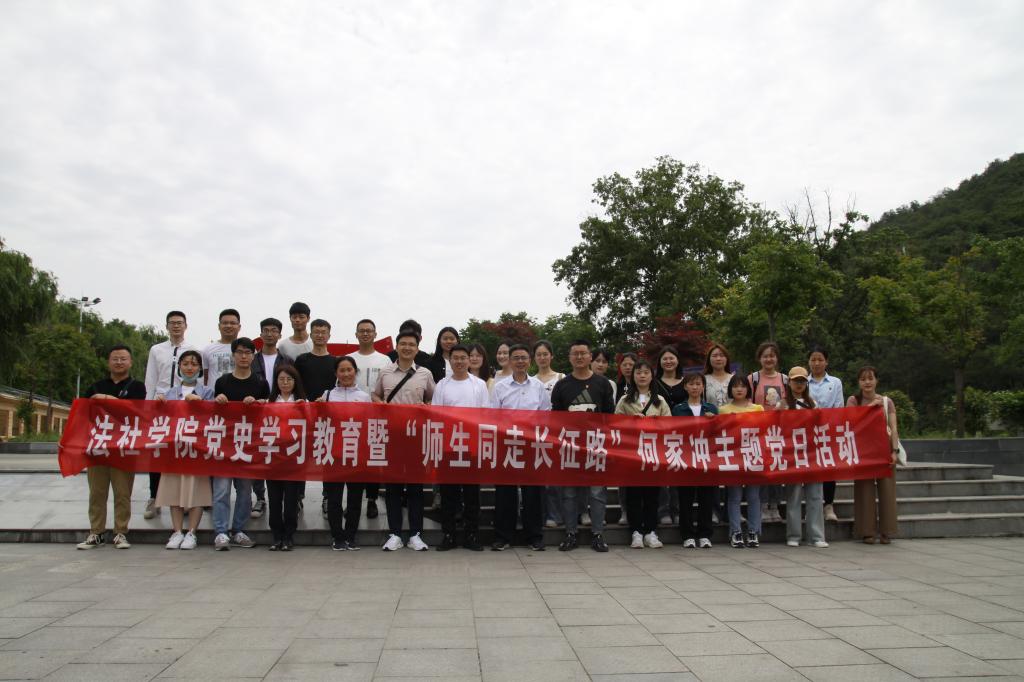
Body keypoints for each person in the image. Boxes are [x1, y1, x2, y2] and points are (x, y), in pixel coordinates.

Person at [76, 345, 147, 550]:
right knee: (96, 492)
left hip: (124, 447)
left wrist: (106, 399)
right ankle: (96, 532)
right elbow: (82, 414)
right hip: (98, 446)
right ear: (108, 362)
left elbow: (136, 411)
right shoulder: (95, 386)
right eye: (115, 359)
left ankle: (120, 532)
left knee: (122, 492)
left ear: (130, 362)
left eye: (123, 359)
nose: (119, 362)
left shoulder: (137, 387)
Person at [372, 329, 435, 551]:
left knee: (416, 487)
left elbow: (433, 399)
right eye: (403, 344)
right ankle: (395, 534)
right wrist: (380, 403)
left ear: (417, 349)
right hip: (392, 436)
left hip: (416, 437)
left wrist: (426, 407)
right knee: (393, 487)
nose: (407, 347)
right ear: (397, 347)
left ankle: (416, 534)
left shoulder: (425, 373)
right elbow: (375, 394)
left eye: (411, 344)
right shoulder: (385, 372)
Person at [551, 339, 616, 552]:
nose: (579, 357)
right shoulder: (562, 385)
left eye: (583, 353)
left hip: (596, 445)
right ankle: (571, 533)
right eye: (575, 353)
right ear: (570, 358)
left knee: (597, 492)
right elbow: (556, 418)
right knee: (569, 493)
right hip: (570, 446)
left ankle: (597, 534)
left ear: (590, 356)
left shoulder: (602, 384)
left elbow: (609, 416)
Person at [490, 343, 550, 551]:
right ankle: (503, 537)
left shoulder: (538, 387)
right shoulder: (500, 387)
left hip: (532, 445)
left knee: (533, 493)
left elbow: (545, 415)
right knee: (505, 493)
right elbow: (494, 416)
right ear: (510, 361)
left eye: (524, 357)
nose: (520, 361)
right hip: (507, 444)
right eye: (516, 358)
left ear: (530, 361)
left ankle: (534, 536)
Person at [212, 337, 269, 550]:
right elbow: (212, 413)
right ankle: (220, 532)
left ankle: (238, 530)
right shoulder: (222, 382)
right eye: (240, 352)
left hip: (248, 445)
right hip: (225, 444)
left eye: (248, 352)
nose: (244, 356)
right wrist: (218, 400)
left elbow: (268, 411)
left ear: (253, 356)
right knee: (221, 490)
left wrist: (261, 403)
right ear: (233, 355)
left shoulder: (261, 383)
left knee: (245, 491)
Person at [432, 345, 489, 551]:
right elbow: (436, 415)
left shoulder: (479, 385)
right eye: (455, 358)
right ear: (450, 360)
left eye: (463, 358)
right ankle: (449, 535)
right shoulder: (442, 385)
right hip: (448, 447)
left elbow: (485, 414)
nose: (459, 361)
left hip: (471, 447)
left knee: (472, 494)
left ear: (469, 360)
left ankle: (471, 535)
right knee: (448, 494)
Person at [154, 350, 213, 551]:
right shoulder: (170, 393)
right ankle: (177, 531)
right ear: (179, 367)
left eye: (194, 364)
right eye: (185, 363)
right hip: (176, 450)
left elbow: (214, 418)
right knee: (174, 491)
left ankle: (192, 532)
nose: (189, 368)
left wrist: (201, 404)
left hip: (197, 450)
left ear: (200, 368)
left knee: (197, 491)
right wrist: (159, 405)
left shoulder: (207, 392)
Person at [142, 310, 197, 521]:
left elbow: (198, 378)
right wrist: (148, 407)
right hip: (161, 406)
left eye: (179, 323)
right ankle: (154, 498)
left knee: (183, 451)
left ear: (186, 326)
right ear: (166, 326)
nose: (176, 326)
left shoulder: (193, 350)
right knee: (158, 452)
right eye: (172, 323)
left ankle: (184, 500)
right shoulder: (157, 350)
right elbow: (151, 379)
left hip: (184, 407)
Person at [615, 358, 670, 549]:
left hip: (653, 453)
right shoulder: (625, 400)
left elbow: (670, 425)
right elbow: (615, 424)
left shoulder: (660, 400)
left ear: (652, 376)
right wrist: (631, 420)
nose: (642, 376)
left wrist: (657, 422)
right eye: (638, 372)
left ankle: (651, 531)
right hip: (632, 454)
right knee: (633, 494)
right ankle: (636, 532)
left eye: (646, 372)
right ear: (633, 376)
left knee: (652, 495)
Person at [319, 356, 372, 551]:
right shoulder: (327, 396)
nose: (346, 374)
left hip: (356, 454)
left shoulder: (364, 397)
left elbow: (369, 424)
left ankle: (351, 535)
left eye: (349, 369)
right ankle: (337, 536)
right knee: (334, 498)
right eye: (342, 370)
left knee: (355, 498)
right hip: (333, 454)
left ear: (355, 371)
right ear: (336, 373)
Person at [848, 366, 900, 545]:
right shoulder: (853, 400)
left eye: (870, 378)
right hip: (863, 451)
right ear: (858, 382)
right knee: (864, 490)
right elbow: (851, 421)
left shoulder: (887, 401)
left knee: (887, 491)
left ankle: (887, 531)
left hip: (884, 449)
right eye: (863, 379)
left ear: (877, 380)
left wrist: (894, 451)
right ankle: (866, 531)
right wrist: (870, 407)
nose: (867, 382)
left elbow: (893, 427)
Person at [347, 318, 391, 521]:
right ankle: (352, 502)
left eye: (369, 331)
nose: (365, 333)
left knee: (373, 459)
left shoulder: (384, 360)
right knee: (353, 460)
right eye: (361, 330)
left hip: (376, 417)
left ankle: (372, 499)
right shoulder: (349, 358)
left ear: (375, 334)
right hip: (352, 418)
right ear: (356, 334)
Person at [250, 317, 291, 520]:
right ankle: (260, 496)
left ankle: (292, 498)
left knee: (283, 454)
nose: (269, 334)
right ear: (260, 334)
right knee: (259, 454)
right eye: (265, 330)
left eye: (274, 330)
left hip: (282, 414)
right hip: (257, 413)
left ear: (279, 335)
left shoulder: (286, 360)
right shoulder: (251, 359)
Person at [783, 366, 829, 548]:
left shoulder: (813, 403)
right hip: (793, 455)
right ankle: (794, 535)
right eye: (796, 381)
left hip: (812, 454)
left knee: (815, 496)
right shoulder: (783, 404)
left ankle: (816, 536)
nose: (799, 384)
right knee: (794, 496)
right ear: (789, 382)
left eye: (802, 381)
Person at [295, 319, 337, 519]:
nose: (320, 335)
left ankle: (327, 497)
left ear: (329, 335)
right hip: (304, 415)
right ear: (310, 335)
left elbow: (338, 388)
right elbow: (296, 385)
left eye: (324, 332)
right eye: (317, 332)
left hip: (328, 417)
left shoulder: (335, 361)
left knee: (327, 457)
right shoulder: (302, 360)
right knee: (301, 456)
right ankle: (298, 496)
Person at [672, 372, 719, 549]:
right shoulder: (678, 409)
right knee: (685, 498)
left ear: (703, 386)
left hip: (706, 457)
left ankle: (705, 534)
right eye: (691, 384)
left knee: (707, 497)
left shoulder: (711, 409)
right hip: (686, 457)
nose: (695, 387)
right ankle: (687, 534)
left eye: (698, 384)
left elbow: (718, 432)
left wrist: (713, 421)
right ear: (685, 387)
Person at [262, 365, 306, 551]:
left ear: (295, 382)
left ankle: (288, 535)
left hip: (293, 459)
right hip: (273, 457)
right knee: (274, 499)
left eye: (289, 379)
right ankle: (276, 535)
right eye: (281, 379)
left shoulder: (303, 402)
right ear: (276, 382)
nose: (285, 383)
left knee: (291, 500)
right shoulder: (269, 401)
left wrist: (307, 409)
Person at [720, 374, 765, 548]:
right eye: (735, 386)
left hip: (754, 455)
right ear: (730, 389)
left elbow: (764, 431)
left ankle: (754, 531)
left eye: (743, 386)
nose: (739, 389)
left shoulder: (758, 408)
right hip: (733, 457)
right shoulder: (723, 410)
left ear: (748, 389)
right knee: (734, 496)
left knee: (754, 497)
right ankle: (736, 531)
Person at [749, 341, 787, 524]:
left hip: (779, 431)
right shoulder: (753, 378)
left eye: (772, 355)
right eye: (765, 356)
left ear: (777, 358)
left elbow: (790, 402)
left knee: (776, 468)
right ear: (759, 358)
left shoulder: (785, 379)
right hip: (759, 431)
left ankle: (775, 505)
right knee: (762, 468)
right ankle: (763, 505)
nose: (769, 359)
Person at [808, 346, 844, 522]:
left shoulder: (835, 382)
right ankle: (812, 506)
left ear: (826, 362)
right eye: (813, 359)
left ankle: (828, 505)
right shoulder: (803, 381)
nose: (816, 363)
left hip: (828, 431)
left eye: (820, 359)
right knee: (809, 469)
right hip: (807, 432)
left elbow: (839, 407)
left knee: (829, 468)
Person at [534, 339, 567, 529]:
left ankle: (556, 514)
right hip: (536, 434)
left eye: (545, 354)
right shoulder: (531, 380)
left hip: (556, 433)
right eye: (539, 354)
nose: (542, 357)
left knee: (554, 477)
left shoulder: (561, 378)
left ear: (551, 356)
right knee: (540, 477)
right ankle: (542, 514)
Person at [654, 345, 686, 526]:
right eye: (664, 358)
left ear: (677, 360)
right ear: (659, 362)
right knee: (662, 475)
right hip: (660, 435)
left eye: (671, 358)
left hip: (683, 436)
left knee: (679, 474)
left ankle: (678, 510)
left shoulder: (687, 381)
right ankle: (663, 510)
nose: (668, 361)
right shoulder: (654, 383)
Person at [202, 308, 240, 387]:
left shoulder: (248, 349)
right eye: (225, 323)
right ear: (219, 326)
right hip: (213, 394)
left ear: (239, 327)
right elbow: (204, 377)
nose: (228, 326)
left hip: (240, 394)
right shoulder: (207, 349)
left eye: (232, 323)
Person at [703, 343, 733, 408]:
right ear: (709, 359)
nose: (718, 359)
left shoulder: (734, 379)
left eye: (722, 355)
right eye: (714, 356)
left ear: (727, 359)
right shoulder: (703, 380)